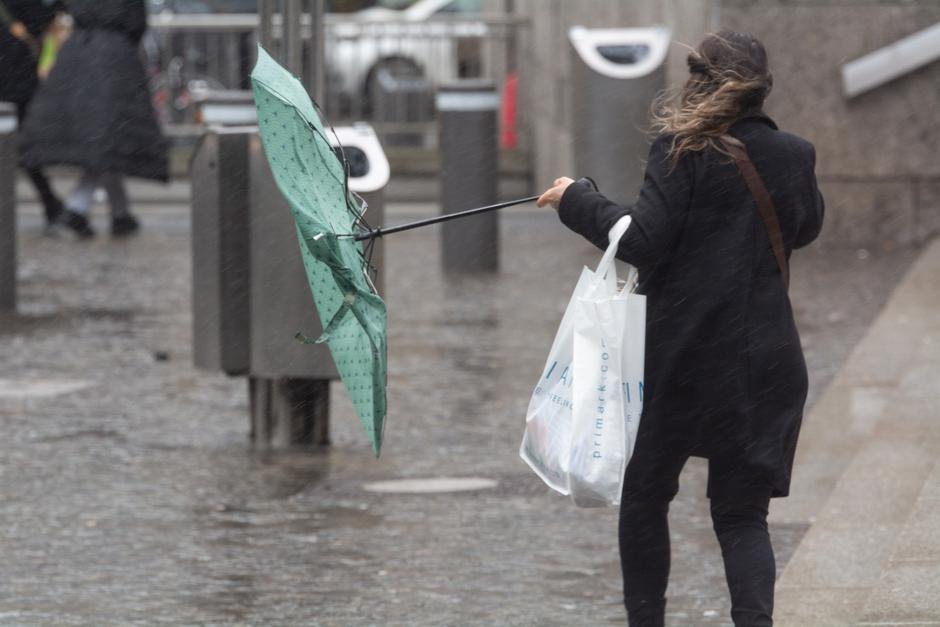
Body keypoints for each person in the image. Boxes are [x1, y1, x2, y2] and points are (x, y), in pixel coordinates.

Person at [537, 32, 824, 627]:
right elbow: (805, 228)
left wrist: (577, 199)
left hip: (681, 359)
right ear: (762, 89)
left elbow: (643, 241)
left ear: (697, 81)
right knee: (742, 517)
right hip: (765, 361)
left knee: (646, 495)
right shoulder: (794, 154)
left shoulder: (681, 147)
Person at [19, 0, 168, 239]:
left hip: (78, 54)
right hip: (115, 58)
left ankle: (120, 214)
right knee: (107, 139)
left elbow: (54, 10)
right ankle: (76, 211)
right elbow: (136, 23)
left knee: (103, 140)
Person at [0, 0, 66, 232]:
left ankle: (50, 202)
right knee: (21, 141)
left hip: (12, 72)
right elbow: (37, 21)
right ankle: (50, 202)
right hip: (13, 73)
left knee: (17, 140)